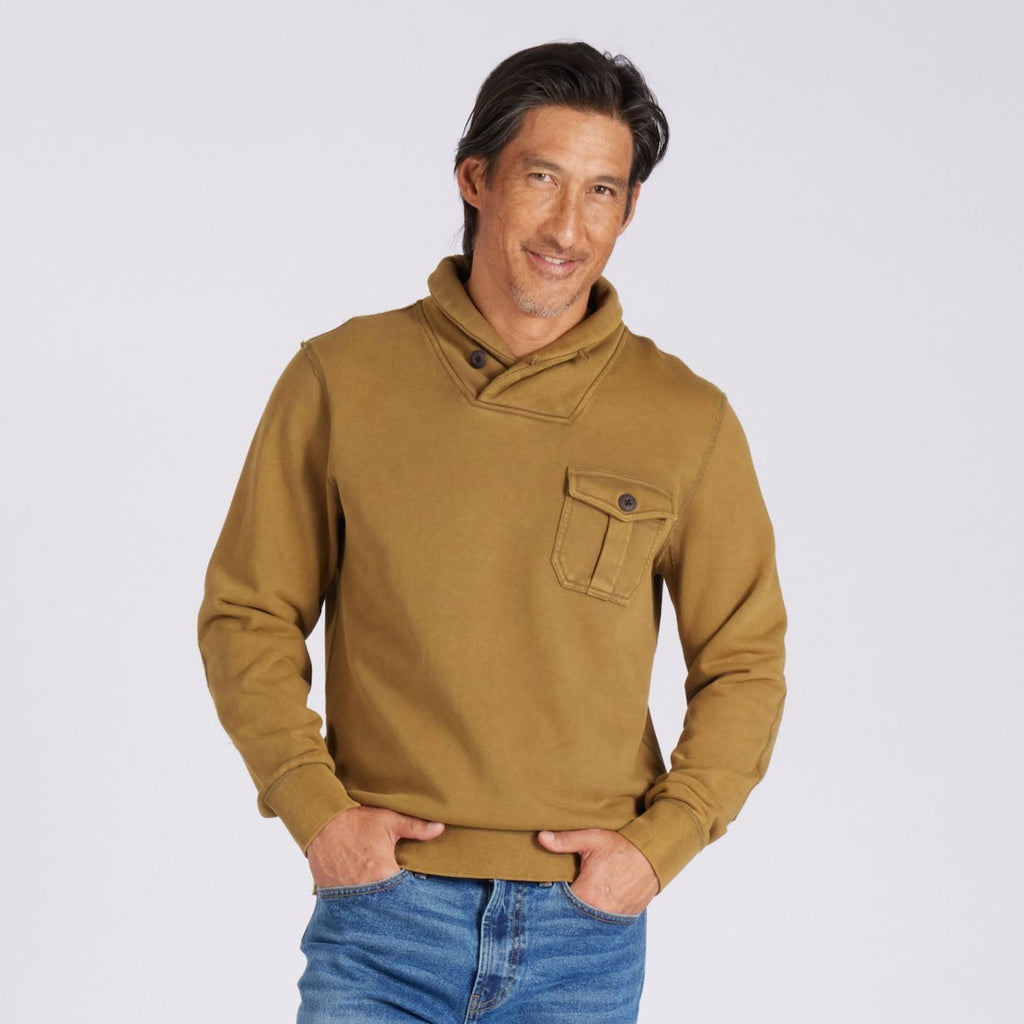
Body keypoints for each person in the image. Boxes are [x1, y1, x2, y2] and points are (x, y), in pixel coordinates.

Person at [199, 40, 786, 1024]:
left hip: (580, 937)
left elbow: (745, 662)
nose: (567, 226)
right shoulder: (341, 378)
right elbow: (248, 613)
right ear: (476, 179)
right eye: (541, 179)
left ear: (629, 209)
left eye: (602, 191)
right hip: (384, 919)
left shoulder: (686, 418)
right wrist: (315, 810)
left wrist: (660, 846)